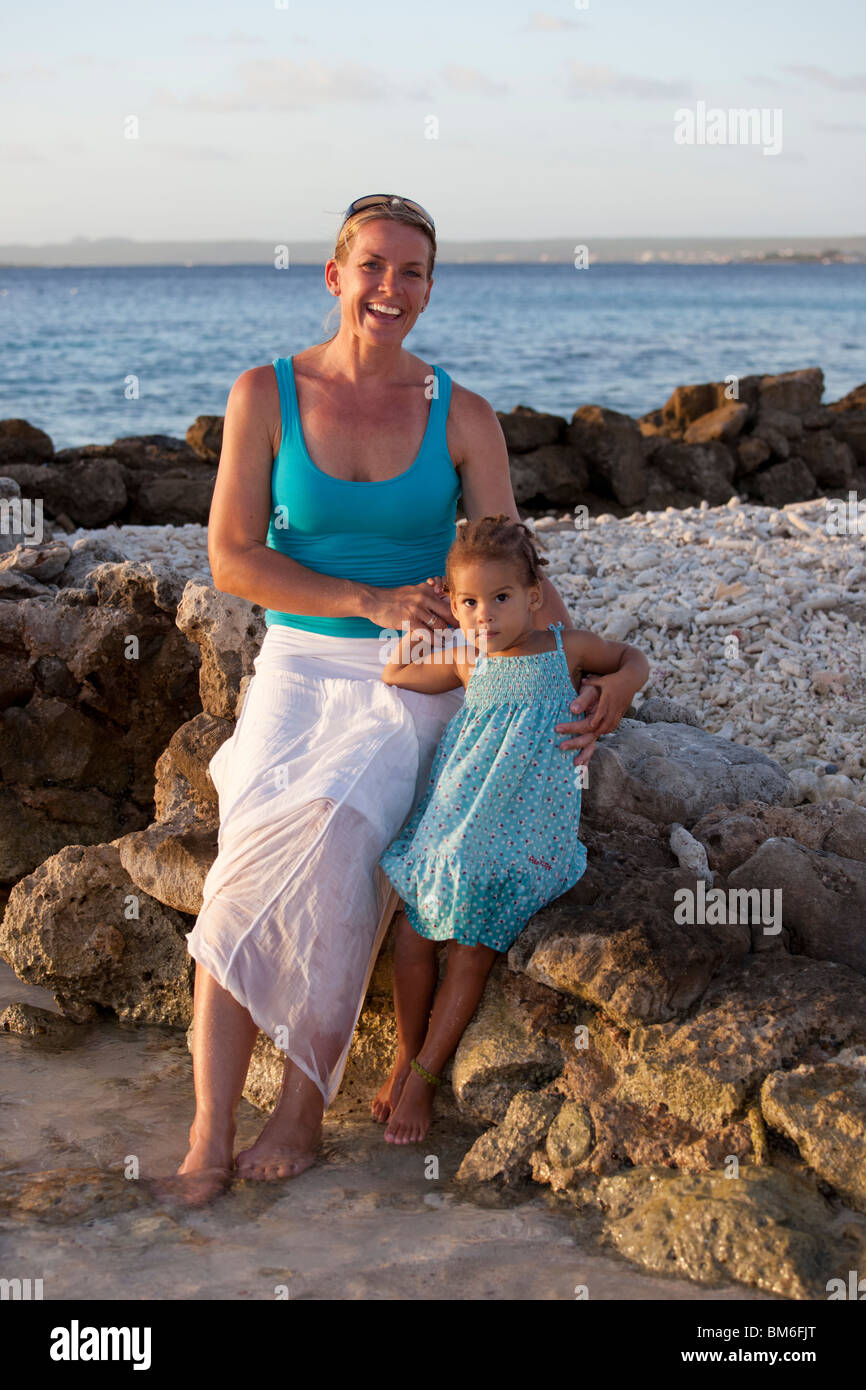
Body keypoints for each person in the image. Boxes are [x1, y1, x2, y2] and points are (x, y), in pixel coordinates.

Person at [168, 194, 622, 1204]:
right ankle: (205, 1129)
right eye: (371, 266)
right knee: (244, 858)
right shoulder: (263, 394)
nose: (390, 287)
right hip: (298, 658)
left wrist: (584, 667)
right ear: (333, 276)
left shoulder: (459, 413)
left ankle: (298, 1112)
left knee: (338, 833)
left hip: (417, 671)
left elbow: (514, 568)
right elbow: (233, 559)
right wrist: (361, 595)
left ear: (428, 289)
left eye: (411, 272)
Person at [372, 515, 650, 1143]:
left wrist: (622, 683)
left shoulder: (564, 650)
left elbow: (633, 657)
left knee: (471, 941)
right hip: (460, 814)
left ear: (531, 597)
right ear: (453, 602)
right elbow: (396, 670)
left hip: (526, 827)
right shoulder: (469, 659)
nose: (485, 615)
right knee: (413, 935)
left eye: (500, 599)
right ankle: (403, 1054)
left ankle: (424, 1076)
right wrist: (432, 625)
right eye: (469, 601)